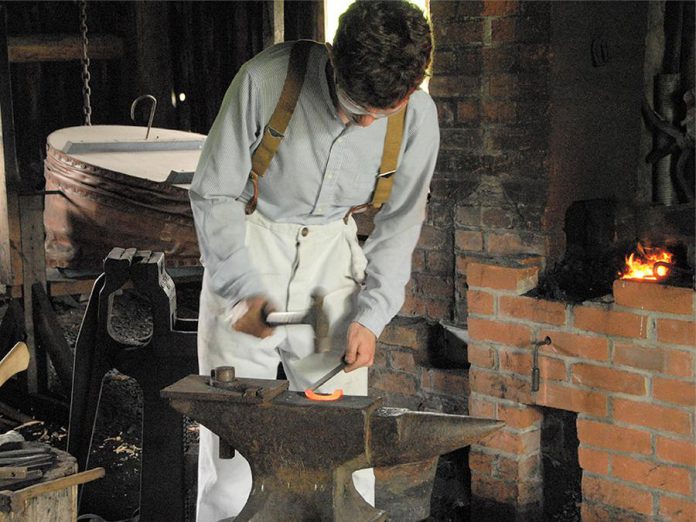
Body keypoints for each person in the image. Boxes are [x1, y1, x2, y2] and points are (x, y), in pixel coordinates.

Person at [189, 1, 439, 519]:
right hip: (250, 242)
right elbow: (215, 193)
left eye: (380, 115)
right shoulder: (265, 80)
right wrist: (241, 287)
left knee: (343, 438)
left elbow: (400, 223)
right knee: (234, 430)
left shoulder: (417, 117)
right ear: (331, 57)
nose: (367, 121)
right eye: (353, 108)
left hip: (331, 257)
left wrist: (371, 316)